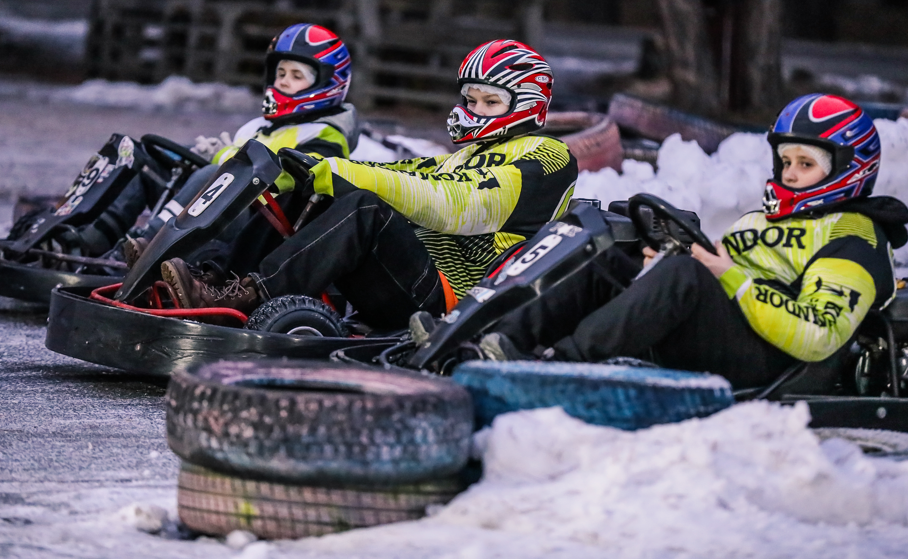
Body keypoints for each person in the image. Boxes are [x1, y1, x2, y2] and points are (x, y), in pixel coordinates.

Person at [478, 93, 908, 390]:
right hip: (732, 330)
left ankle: (557, 370)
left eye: (806, 164)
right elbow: (718, 272)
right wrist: (660, 266)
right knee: (611, 255)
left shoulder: (854, 237)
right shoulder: (765, 217)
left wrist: (727, 276)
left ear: (846, 169)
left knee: (683, 276)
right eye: (786, 161)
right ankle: (502, 339)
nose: (790, 174)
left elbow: (817, 335)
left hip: (773, 361)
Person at [160, 39, 578, 329]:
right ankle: (218, 281)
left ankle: (243, 298)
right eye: (470, 100)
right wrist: (324, 171)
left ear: (528, 104)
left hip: (452, 302)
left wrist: (348, 174)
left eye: (491, 102)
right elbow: (406, 172)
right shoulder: (465, 155)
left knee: (365, 209)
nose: (475, 110)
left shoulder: (547, 157)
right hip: (412, 278)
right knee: (313, 189)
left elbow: (458, 204)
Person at [57, 23, 358, 262]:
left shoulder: (326, 135)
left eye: (296, 75)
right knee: (147, 161)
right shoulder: (264, 126)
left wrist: (227, 156)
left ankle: (146, 247)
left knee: (206, 176)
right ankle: (91, 237)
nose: (282, 82)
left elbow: (289, 178)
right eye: (280, 73)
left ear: (327, 83)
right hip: (222, 211)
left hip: (260, 229)